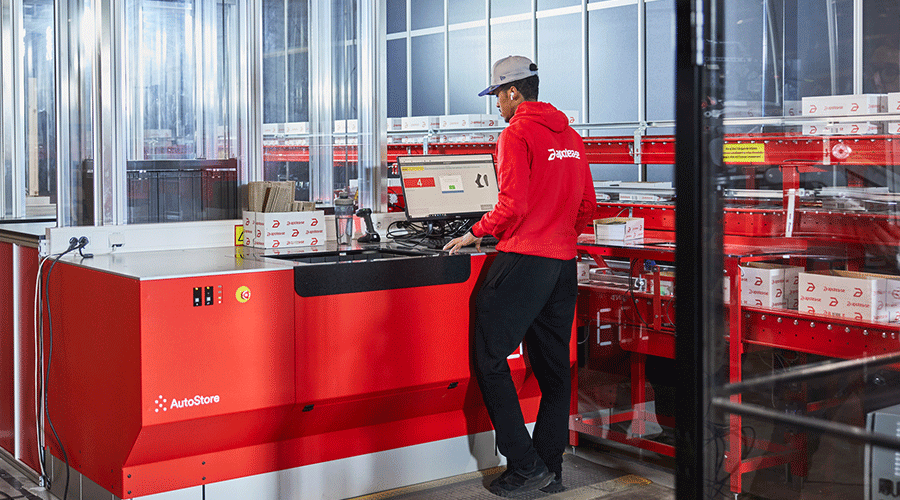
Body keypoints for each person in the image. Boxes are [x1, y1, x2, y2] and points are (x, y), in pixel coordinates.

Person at [444, 55, 597, 497]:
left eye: (497, 95)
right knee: (554, 371)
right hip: (562, 264)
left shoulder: (515, 133)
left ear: (514, 92)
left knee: (490, 357)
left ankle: (525, 465)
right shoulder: (570, 135)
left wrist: (475, 233)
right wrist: (559, 237)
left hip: (525, 259)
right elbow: (587, 206)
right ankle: (551, 466)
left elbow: (512, 206)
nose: (495, 104)